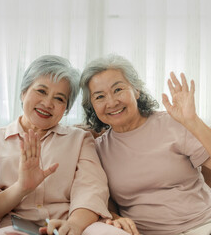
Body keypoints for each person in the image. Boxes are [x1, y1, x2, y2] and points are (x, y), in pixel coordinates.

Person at [0, 55, 130, 235]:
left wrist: (74, 225)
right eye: (41, 91)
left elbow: (91, 189)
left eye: (59, 98)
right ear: (23, 92)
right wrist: (22, 187)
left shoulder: (80, 140)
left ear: (66, 109)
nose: (47, 103)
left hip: (72, 223)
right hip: (15, 227)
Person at [79, 54, 211, 235]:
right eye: (100, 96)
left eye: (118, 90)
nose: (111, 102)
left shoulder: (173, 123)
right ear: (92, 106)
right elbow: (100, 200)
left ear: (136, 90)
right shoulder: (97, 150)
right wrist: (115, 218)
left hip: (203, 224)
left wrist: (192, 121)